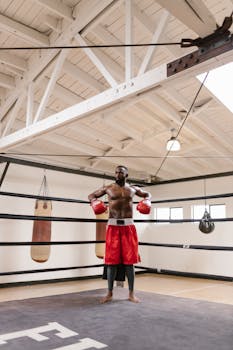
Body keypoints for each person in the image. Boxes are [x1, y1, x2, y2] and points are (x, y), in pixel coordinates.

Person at [88, 165, 151, 303]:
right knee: (111, 262)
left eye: (120, 173)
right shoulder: (108, 188)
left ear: (126, 174)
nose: (117, 174)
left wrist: (147, 200)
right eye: (116, 172)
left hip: (128, 227)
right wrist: (94, 201)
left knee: (130, 262)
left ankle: (131, 294)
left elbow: (147, 194)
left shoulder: (133, 189)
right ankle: (109, 293)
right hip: (113, 227)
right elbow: (91, 195)